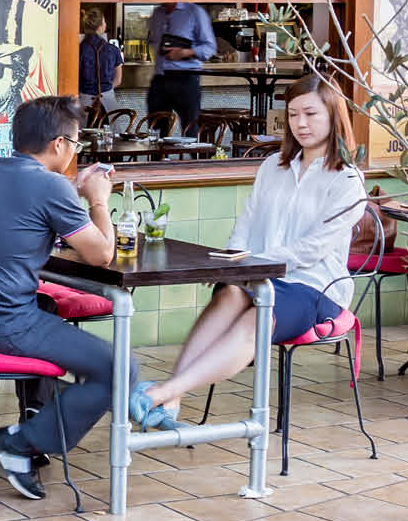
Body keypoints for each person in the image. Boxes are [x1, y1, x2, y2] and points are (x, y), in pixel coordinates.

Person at [137, 77, 366, 423]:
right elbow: (244, 225)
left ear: (334, 115)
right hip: (258, 275)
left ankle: (164, 393)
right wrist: (232, 263)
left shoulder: (347, 180)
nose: (300, 124)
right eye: (292, 115)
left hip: (315, 287)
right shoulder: (272, 167)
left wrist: (254, 265)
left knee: (256, 314)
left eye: (310, 114)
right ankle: (172, 396)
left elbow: (312, 251)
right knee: (229, 293)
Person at [0, 95, 117, 501]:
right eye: (75, 144)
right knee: (117, 364)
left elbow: (32, 218)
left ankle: (38, 422)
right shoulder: (50, 185)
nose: (75, 153)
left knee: (47, 308)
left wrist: (68, 193)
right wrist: (98, 199)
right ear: (58, 144)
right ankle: (21, 441)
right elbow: (103, 254)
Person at [143, 0, 216, 138]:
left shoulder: (194, 12)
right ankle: (158, 163)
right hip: (160, 79)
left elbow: (210, 48)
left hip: (186, 79)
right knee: (155, 131)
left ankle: (191, 163)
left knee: (190, 131)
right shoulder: (157, 14)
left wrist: (184, 52)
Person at [77, 8, 124, 115]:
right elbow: (118, 80)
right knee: (112, 131)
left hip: (84, 102)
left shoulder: (77, 50)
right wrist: (105, 91)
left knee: (83, 131)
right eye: (104, 21)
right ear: (101, 25)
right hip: (108, 102)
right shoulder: (113, 50)